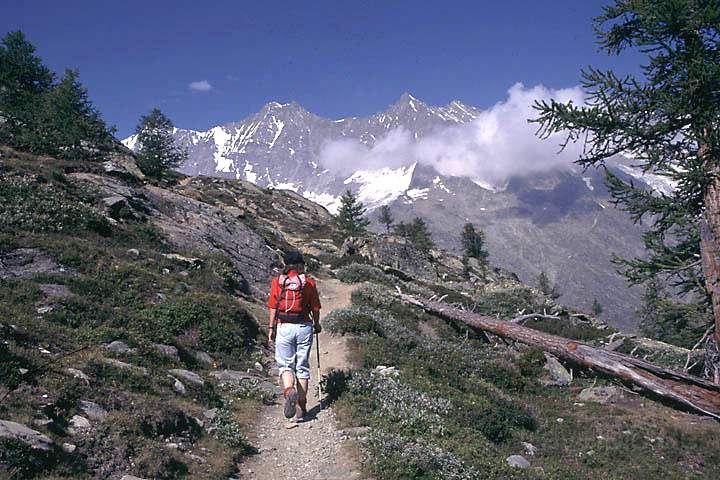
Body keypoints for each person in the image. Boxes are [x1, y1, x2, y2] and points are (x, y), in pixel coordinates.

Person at [267, 251, 321, 421]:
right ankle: (302, 406)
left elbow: (273, 306)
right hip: (304, 326)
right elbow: (315, 308)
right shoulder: (309, 283)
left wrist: (271, 328)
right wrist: (317, 324)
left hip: (284, 326)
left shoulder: (278, 282)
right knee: (302, 366)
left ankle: (289, 391)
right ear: (301, 265)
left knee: (285, 365)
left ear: (285, 264)